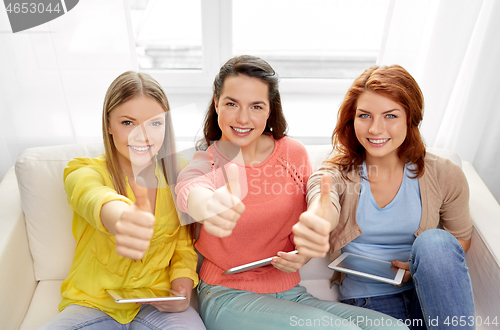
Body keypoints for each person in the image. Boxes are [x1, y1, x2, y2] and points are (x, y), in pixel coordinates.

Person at [175, 55, 408, 330]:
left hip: (289, 292)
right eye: (231, 104)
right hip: (227, 295)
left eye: (256, 106)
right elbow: (189, 189)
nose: (243, 118)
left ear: (270, 110)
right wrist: (210, 204)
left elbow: (314, 209)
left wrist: (304, 254)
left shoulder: (291, 154)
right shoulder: (208, 162)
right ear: (216, 103)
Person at [293, 65, 475, 330]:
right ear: (351, 119)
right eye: (364, 115)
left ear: (410, 118)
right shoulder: (336, 174)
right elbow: (323, 202)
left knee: (436, 240)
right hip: (368, 302)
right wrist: (318, 219)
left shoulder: (444, 174)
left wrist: (417, 269)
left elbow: (460, 239)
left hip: (427, 295)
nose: (375, 129)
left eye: (390, 115)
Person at [38, 71, 205, 329]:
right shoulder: (83, 169)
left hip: (157, 305)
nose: (143, 136)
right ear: (108, 125)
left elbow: (183, 246)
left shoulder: (179, 172)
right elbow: (90, 195)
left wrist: (181, 291)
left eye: (155, 123)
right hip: (93, 304)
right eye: (128, 123)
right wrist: (121, 217)